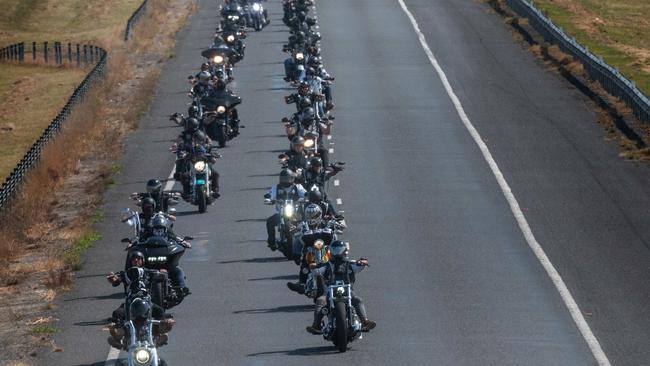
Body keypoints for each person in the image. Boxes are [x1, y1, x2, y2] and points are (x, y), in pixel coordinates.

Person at [106, 251, 175, 349]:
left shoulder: (149, 272)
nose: (135, 260)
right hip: (130, 301)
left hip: (146, 300)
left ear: (142, 260)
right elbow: (115, 280)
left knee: (159, 310)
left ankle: (159, 335)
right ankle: (118, 337)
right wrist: (112, 277)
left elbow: (162, 277)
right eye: (133, 259)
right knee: (117, 313)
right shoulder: (125, 273)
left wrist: (163, 273)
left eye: (138, 258)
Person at [306, 241, 376, 334]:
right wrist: (313, 266)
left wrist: (363, 262)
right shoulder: (326, 265)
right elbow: (316, 272)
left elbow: (360, 265)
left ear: (345, 251)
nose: (337, 253)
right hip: (329, 292)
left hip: (348, 291)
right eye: (335, 250)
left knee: (357, 300)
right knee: (320, 300)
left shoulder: (351, 263)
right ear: (330, 251)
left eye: (339, 250)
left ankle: (365, 321)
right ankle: (316, 325)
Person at [265, 169, 306, 249]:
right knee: (269, 221)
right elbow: (270, 194)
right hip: (281, 212)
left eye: (288, 178)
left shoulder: (297, 187)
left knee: (306, 222)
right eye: (284, 178)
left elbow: (304, 193)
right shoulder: (276, 188)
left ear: (292, 178)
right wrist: (269, 198)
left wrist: (306, 196)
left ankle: (308, 239)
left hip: (296, 212)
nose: (286, 180)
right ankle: (272, 242)